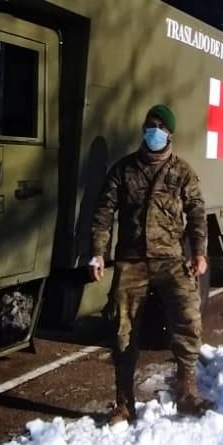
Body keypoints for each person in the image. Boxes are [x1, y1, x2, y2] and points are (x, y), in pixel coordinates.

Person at [90, 104, 212, 424]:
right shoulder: (124, 170)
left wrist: (198, 252)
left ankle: (186, 394)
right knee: (122, 330)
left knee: (188, 318)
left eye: (159, 126)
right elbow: (104, 213)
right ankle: (123, 404)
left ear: (169, 133)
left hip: (171, 258)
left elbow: (198, 213)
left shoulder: (182, 172)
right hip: (131, 260)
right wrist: (98, 251)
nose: (153, 130)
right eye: (149, 125)